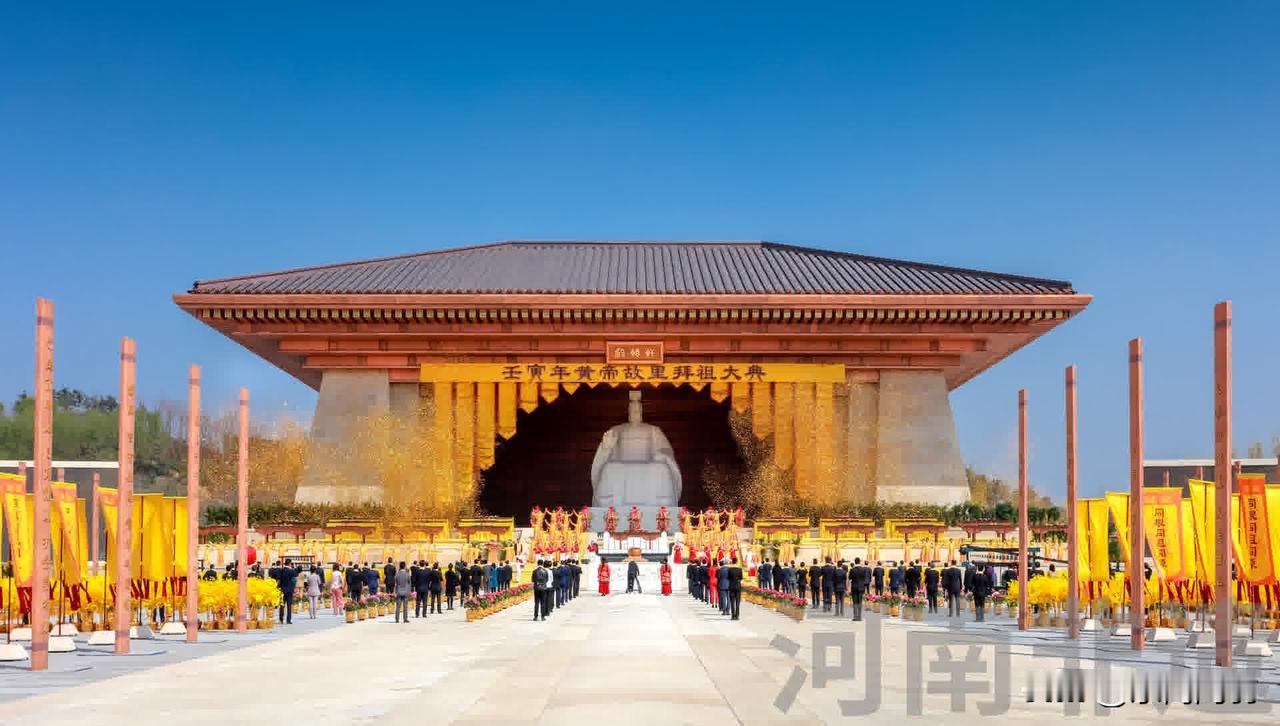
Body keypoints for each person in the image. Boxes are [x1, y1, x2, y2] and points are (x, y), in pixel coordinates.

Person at [270, 559, 298, 625]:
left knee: (282, 605)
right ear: (290, 564)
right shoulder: (291, 571)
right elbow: (296, 574)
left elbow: (278, 578)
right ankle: (288, 620)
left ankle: (281, 619)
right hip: (289, 590)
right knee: (289, 606)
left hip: (282, 590)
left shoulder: (281, 570)